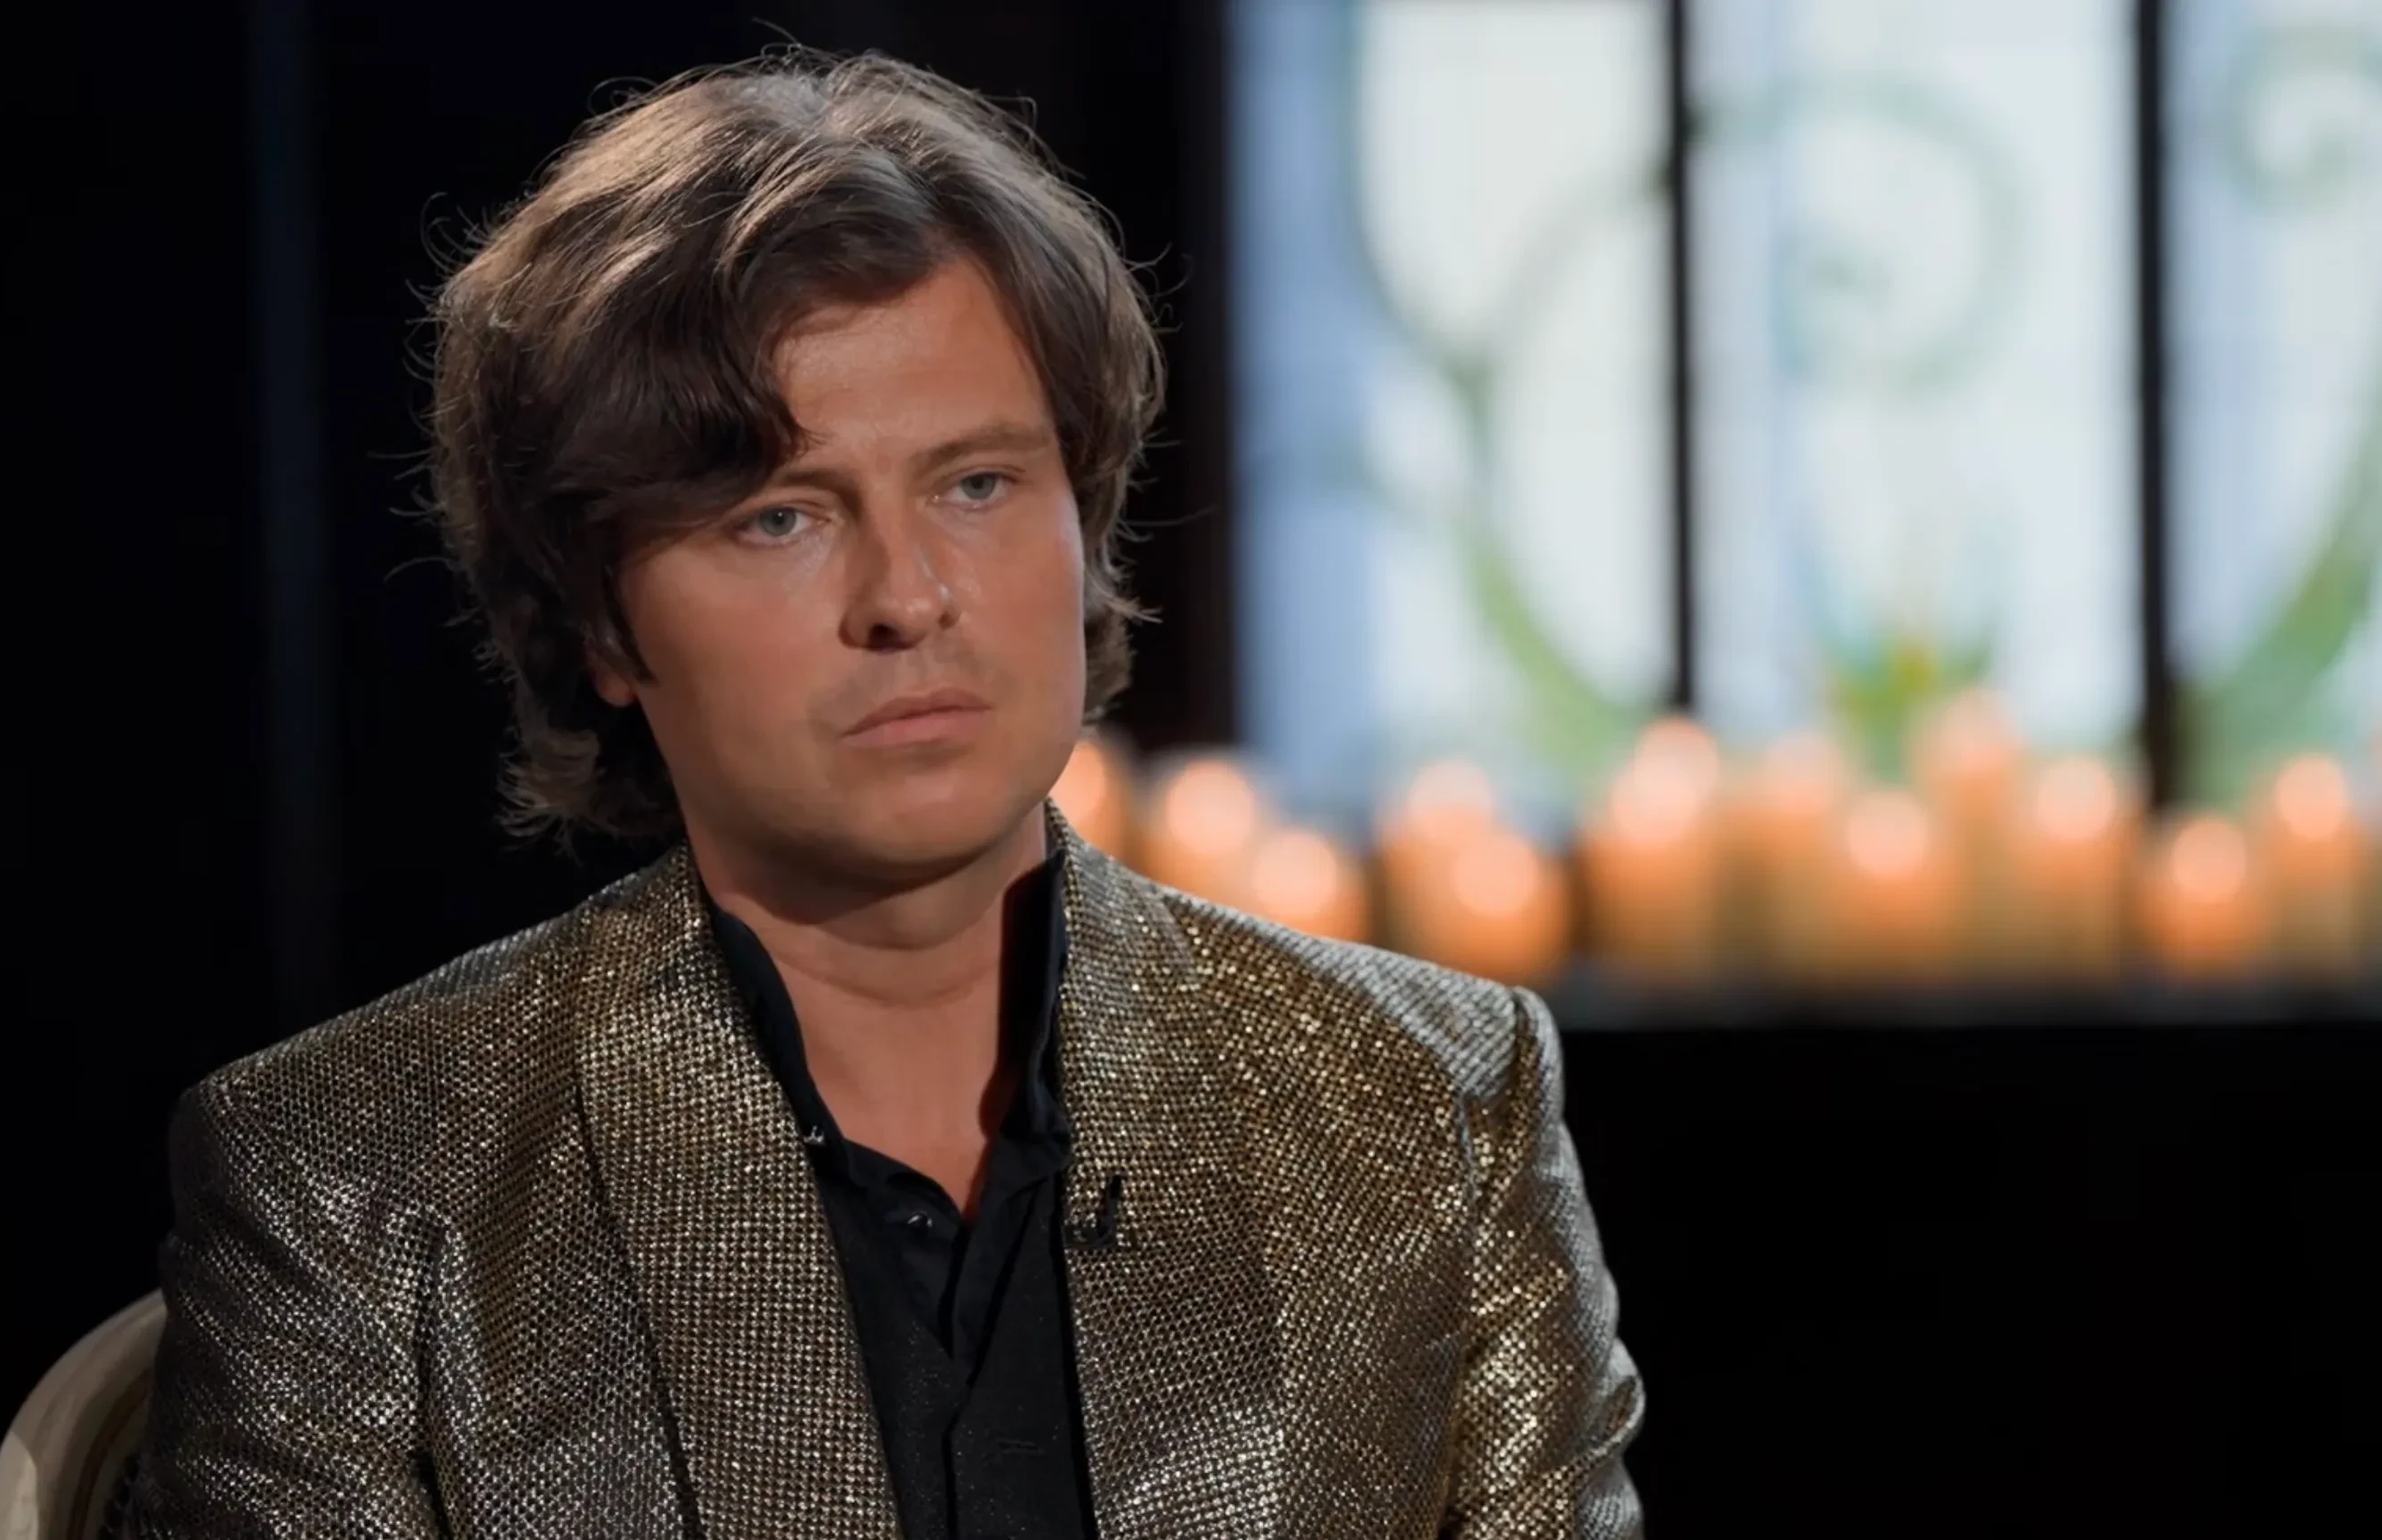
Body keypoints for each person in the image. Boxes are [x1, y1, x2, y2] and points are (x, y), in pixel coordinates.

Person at [123, 51, 1643, 1540]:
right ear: (599, 622)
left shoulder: (1424, 1099)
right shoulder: (357, 1178)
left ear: (1083, 518)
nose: (908, 598)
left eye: (977, 485)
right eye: (779, 518)